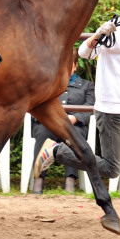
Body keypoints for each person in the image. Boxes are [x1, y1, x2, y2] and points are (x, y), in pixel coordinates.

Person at [35, 0, 120, 233]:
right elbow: (85, 52)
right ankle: (57, 150)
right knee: (111, 168)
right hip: (112, 111)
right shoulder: (117, 29)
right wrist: (97, 35)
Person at [32, 48, 94, 194]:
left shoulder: (87, 86)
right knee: (42, 132)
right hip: (48, 123)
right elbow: (34, 104)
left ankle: (70, 180)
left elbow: (90, 106)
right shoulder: (46, 83)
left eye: (68, 64)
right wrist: (49, 119)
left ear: (75, 65)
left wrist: (75, 117)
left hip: (74, 124)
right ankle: (38, 180)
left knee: (73, 134)